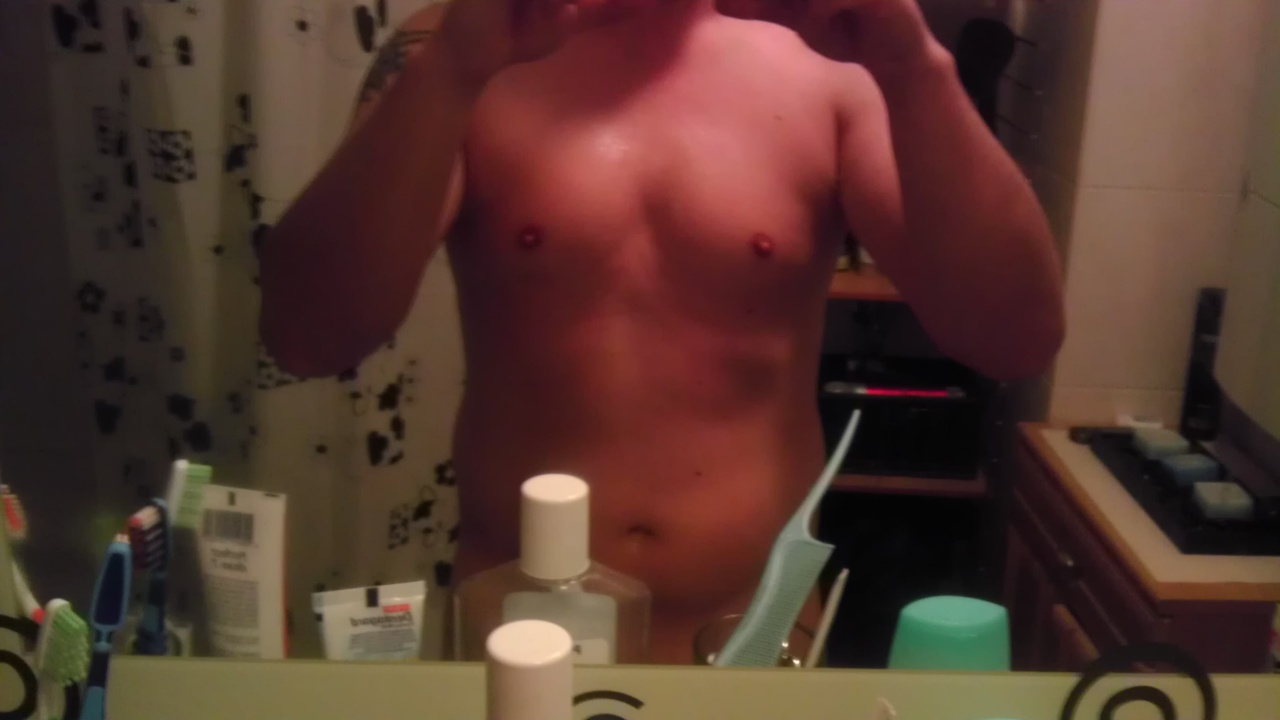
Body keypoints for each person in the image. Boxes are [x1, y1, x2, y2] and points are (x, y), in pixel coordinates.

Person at [260, 0, 1064, 664]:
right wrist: (450, 71)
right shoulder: (462, 44)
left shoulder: (834, 61)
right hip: (524, 641)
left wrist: (913, 65)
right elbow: (306, 337)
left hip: (752, 637)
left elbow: (1015, 339)